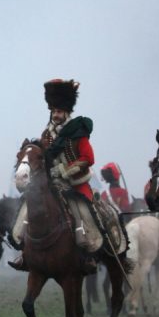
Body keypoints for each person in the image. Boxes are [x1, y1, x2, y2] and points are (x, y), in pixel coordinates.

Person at [9, 79, 100, 273]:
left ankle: (88, 256)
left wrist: (65, 170)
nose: (56, 115)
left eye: (59, 111)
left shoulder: (78, 130)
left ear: (66, 112)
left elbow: (88, 158)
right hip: (51, 183)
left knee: (84, 214)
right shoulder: (46, 134)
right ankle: (25, 253)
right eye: (53, 111)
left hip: (74, 184)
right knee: (27, 208)